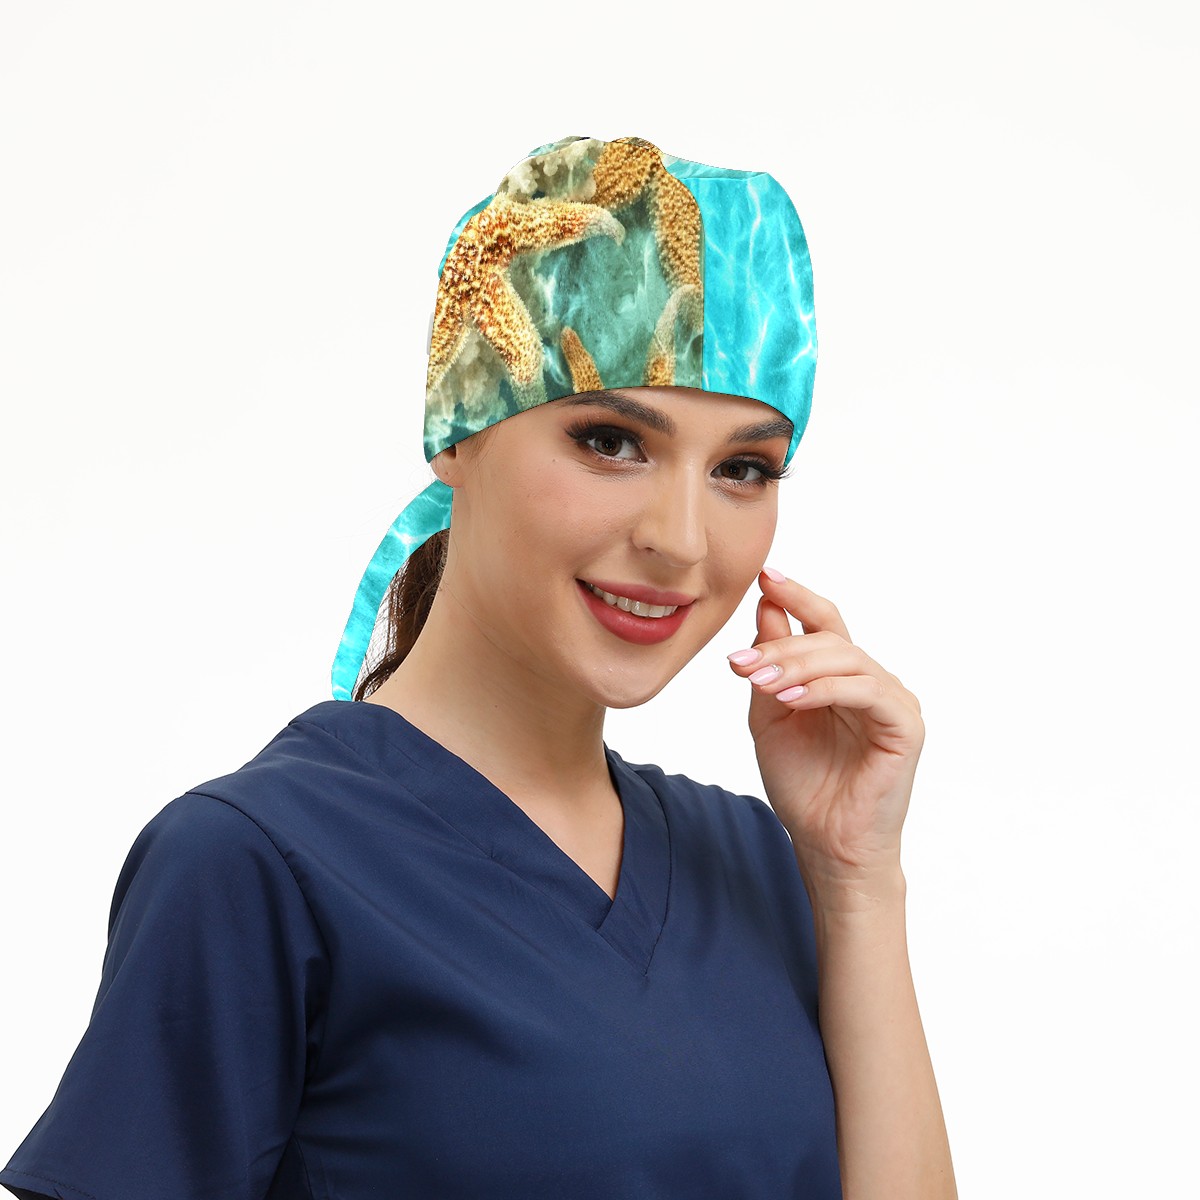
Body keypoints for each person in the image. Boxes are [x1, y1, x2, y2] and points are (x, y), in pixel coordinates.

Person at [1, 134, 957, 1199]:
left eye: (743, 468)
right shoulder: (254, 865)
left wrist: (856, 878)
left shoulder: (750, 859)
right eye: (611, 441)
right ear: (460, 429)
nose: (683, 540)